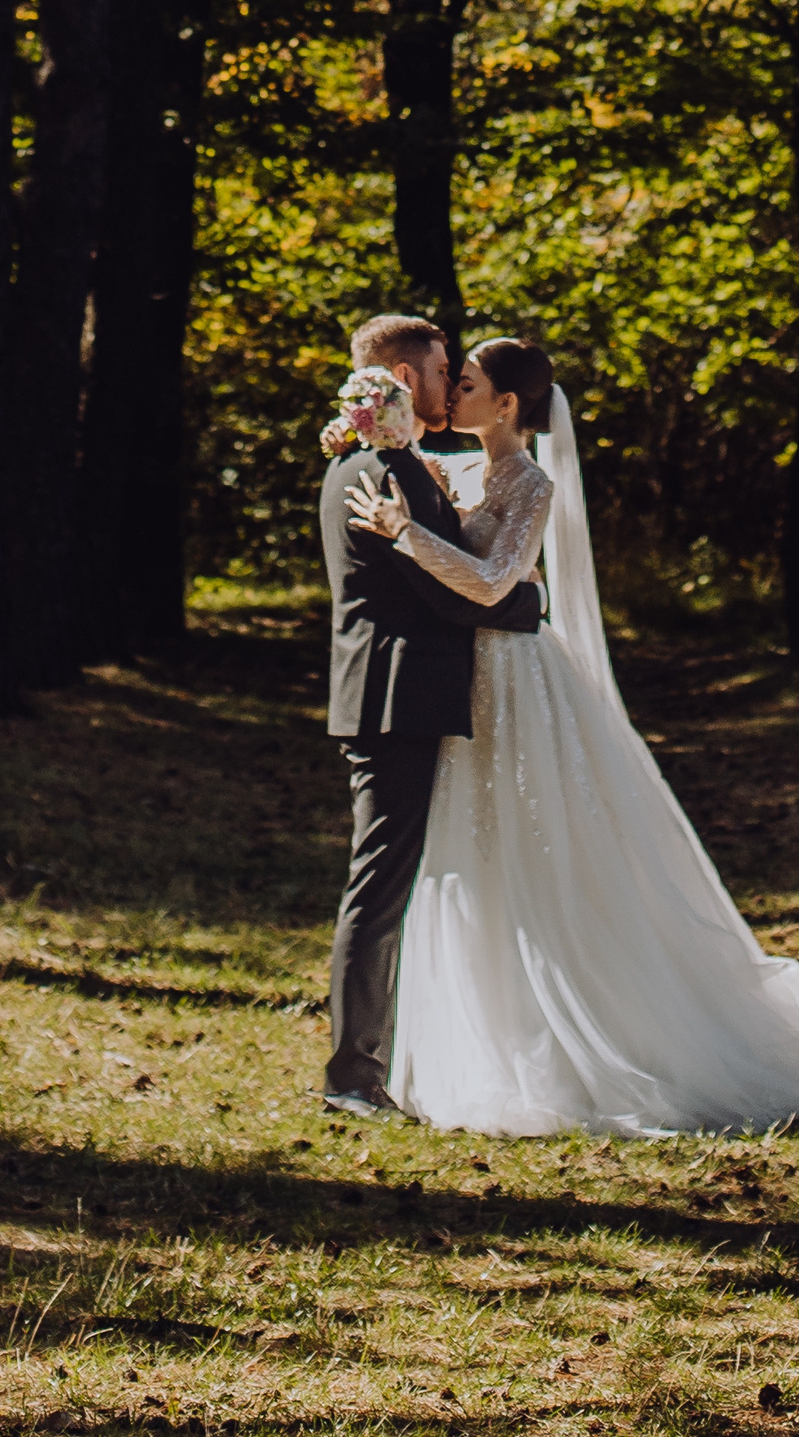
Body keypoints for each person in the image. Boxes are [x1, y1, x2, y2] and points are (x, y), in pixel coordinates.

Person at [348, 336, 799, 1136]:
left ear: (506, 405)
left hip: (517, 679)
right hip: (466, 682)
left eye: (464, 384)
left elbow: (497, 579)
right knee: (478, 857)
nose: (451, 395)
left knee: (541, 853)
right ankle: (499, 1042)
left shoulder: (531, 484)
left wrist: (407, 533)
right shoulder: (456, 470)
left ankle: (597, 1041)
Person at [318, 313, 542, 1120]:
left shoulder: (375, 461)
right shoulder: (386, 472)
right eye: (446, 371)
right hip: (396, 697)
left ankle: (380, 1064)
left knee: (390, 882)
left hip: (391, 695)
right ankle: (352, 1076)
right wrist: (533, 606)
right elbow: (449, 600)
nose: (453, 385)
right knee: (379, 887)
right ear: (409, 379)